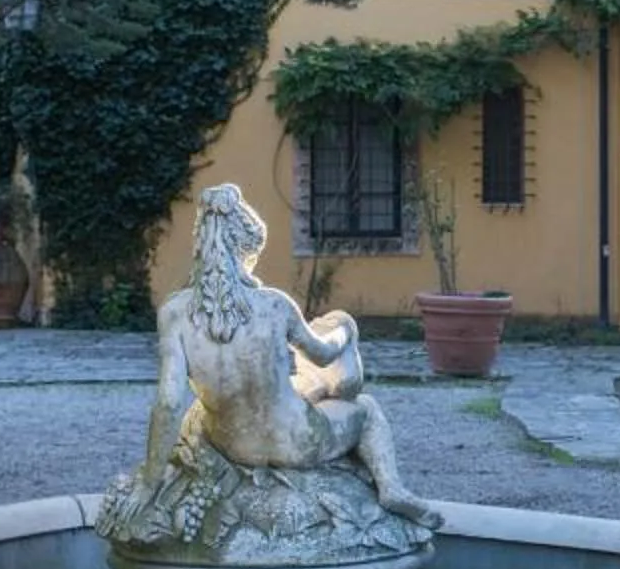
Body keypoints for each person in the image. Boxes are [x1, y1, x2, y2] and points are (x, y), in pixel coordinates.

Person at [139, 183, 439, 528]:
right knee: (366, 408)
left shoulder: (175, 313)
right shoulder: (275, 305)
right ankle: (391, 488)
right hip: (296, 442)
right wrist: (344, 328)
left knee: (204, 410)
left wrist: (150, 480)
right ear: (245, 251)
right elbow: (324, 355)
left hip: (233, 445)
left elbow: (168, 402)